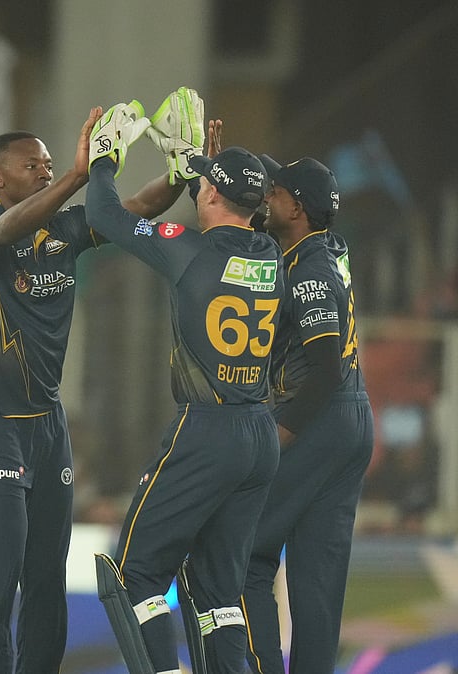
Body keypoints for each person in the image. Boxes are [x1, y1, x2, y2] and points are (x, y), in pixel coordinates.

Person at [0, 108, 186, 673]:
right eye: (35, 166)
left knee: (48, 575)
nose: (47, 171)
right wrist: (79, 175)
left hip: (47, 426)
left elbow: (139, 210)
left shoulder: (67, 230)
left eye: (50, 164)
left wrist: (182, 171)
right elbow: (1, 233)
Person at [83, 100, 284, 672]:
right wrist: (200, 163)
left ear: (212, 197)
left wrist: (105, 159)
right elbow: (241, 200)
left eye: (203, 187)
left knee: (134, 574)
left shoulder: (187, 249)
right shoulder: (268, 252)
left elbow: (106, 216)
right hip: (259, 435)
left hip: (207, 430)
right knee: (218, 595)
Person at [242, 156, 373, 673]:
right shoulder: (323, 245)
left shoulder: (310, 268)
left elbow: (323, 369)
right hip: (352, 422)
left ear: (295, 206)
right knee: (317, 583)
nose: (264, 200)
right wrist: (212, 166)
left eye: (272, 193)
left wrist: (274, 438)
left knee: (246, 553)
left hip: (321, 417)